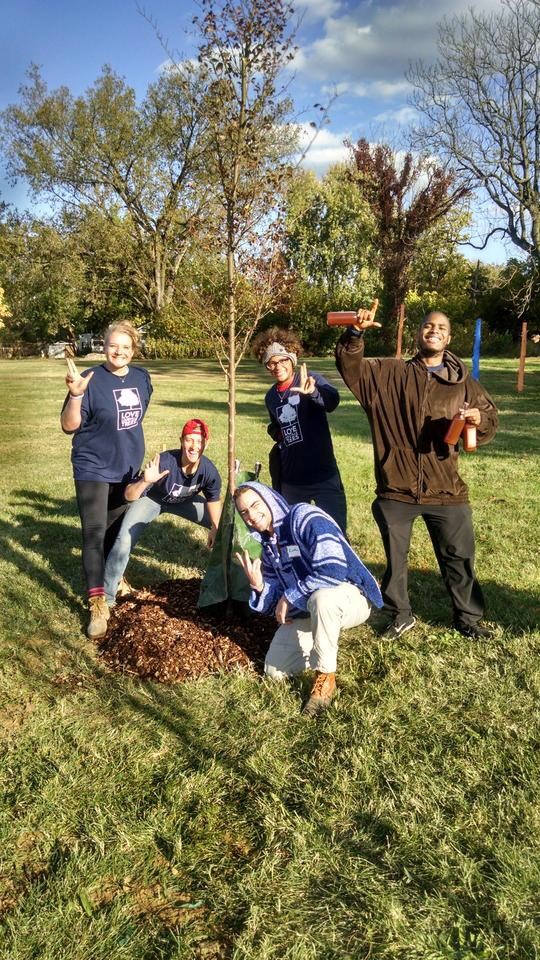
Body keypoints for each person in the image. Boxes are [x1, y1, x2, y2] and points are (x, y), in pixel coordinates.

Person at [335, 304, 499, 640]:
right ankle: (400, 613)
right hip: (397, 486)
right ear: (418, 332)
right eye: (428, 325)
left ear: (449, 337)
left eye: (441, 327)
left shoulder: (464, 384)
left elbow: (489, 422)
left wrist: (479, 422)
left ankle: (467, 617)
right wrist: (355, 334)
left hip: (447, 489)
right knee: (396, 562)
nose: (434, 330)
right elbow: (351, 368)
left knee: (459, 557)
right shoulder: (389, 375)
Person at [234, 482, 382, 716]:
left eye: (255, 505)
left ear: (269, 499)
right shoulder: (268, 548)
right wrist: (259, 586)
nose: (251, 515)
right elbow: (276, 606)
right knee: (275, 671)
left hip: (350, 595)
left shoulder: (303, 516)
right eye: (244, 512)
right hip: (309, 609)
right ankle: (324, 635)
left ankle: (325, 677)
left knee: (322, 599)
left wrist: (290, 596)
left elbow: (333, 570)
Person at [61, 321, 153, 640]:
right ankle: (98, 602)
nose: (119, 351)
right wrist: (75, 397)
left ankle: (113, 578)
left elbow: (136, 417)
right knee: (94, 532)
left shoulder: (142, 378)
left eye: (126, 347)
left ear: (133, 348)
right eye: (114, 345)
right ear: (104, 344)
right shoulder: (90, 378)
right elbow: (69, 426)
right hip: (93, 466)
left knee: (116, 528)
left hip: (127, 468)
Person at [103, 418, 222, 606]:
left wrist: (216, 527)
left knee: (225, 525)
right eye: (189, 439)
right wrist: (146, 481)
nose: (194, 446)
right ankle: (107, 598)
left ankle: (223, 587)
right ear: (181, 440)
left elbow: (213, 500)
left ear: (207, 443)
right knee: (123, 539)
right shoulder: (165, 462)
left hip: (184, 502)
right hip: (153, 499)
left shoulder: (208, 471)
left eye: (199, 441)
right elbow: (129, 495)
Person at [251, 327, 348, 534]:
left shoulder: (309, 379)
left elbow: (332, 401)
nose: (278, 367)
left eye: (283, 360)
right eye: (272, 362)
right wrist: (276, 433)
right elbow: (276, 426)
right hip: (292, 480)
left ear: (292, 359)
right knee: (294, 535)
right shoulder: (271, 397)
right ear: (267, 366)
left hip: (324, 476)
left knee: (336, 533)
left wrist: (312, 391)